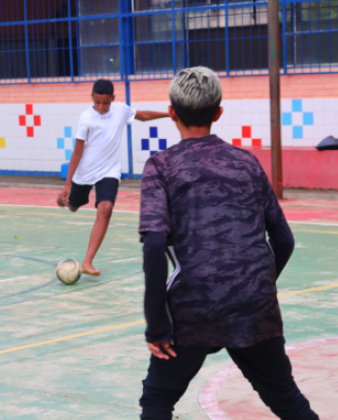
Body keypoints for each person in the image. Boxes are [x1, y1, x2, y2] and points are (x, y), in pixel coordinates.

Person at [138, 67, 318, 420]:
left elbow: (155, 244)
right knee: (286, 400)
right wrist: (254, 287)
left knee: (157, 402)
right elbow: (283, 239)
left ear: (172, 111)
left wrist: (157, 324)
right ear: (219, 112)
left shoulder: (161, 166)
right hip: (254, 305)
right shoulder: (246, 162)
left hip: (194, 305)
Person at [57, 79, 170, 276]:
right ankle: (65, 201)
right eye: (97, 102)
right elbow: (77, 152)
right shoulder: (86, 118)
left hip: (109, 171)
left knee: (106, 208)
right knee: (73, 206)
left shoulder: (120, 110)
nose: (101, 107)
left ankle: (87, 262)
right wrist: (67, 185)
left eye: (105, 103)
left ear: (113, 99)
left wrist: (169, 114)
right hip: (85, 172)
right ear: (92, 97)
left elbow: (142, 116)